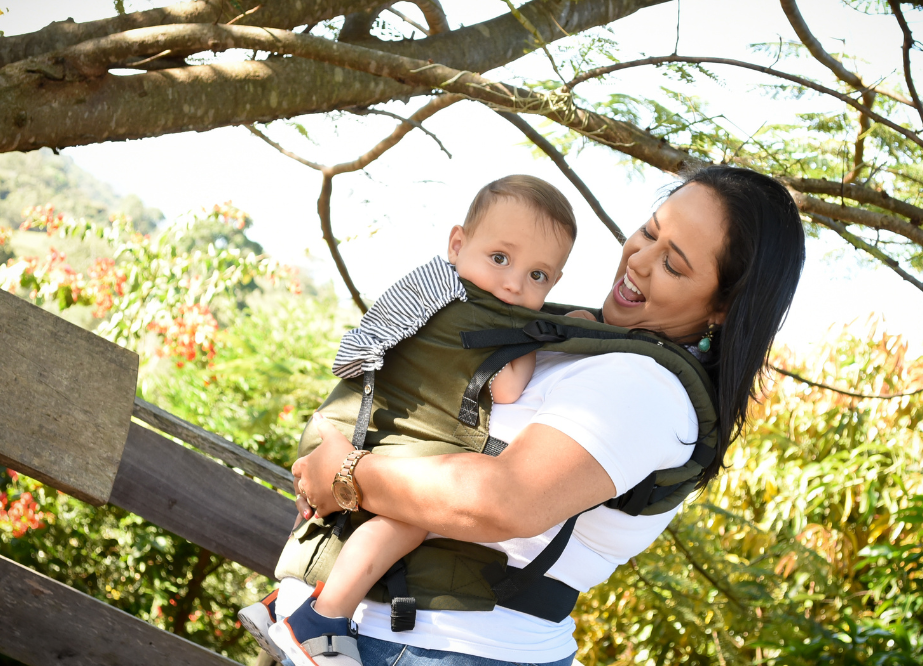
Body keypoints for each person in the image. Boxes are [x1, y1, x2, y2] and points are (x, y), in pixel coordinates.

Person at [287, 165, 807, 666]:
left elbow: (504, 501)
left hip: (444, 648)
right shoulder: (573, 336)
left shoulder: (649, 390)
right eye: (648, 233)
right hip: (367, 633)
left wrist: (347, 474)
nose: (640, 261)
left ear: (722, 307)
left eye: (673, 264)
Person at [240, 174, 581, 666]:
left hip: (346, 426)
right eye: (500, 259)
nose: (513, 283)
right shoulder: (484, 318)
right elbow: (507, 386)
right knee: (412, 517)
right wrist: (541, 343)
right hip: (380, 446)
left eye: (538, 276)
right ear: (458, 244)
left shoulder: (430, 291)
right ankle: (323, 618)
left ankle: (284, 606)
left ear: (555, 282)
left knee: (350, 520)